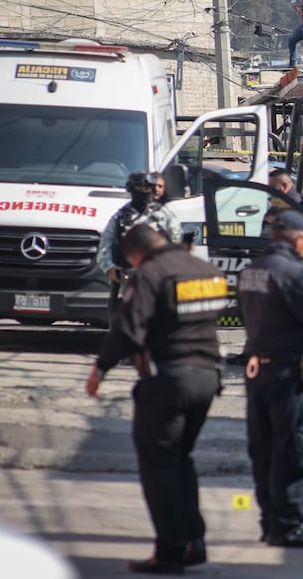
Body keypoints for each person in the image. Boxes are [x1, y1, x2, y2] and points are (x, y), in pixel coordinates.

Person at [86, 224, 227, 574]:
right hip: (208, 378)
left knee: (159, 466)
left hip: (167, 379)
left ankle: (170, 551)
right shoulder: (207, 271)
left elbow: (128, 327)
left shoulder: (150, 273)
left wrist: (101, 367)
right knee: (180, 459)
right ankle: (193, 542)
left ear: (135, 254)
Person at [237, 210, 303, 548]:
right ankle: (287, 526)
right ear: (298, 239)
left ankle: (270, 521)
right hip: (288, 373)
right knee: (296, 446)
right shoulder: (295, 274)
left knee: (264, 448)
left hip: (257, 371)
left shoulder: (250, 271)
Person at [97, 172, 184, 315]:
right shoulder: (120, 217)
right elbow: (105, 244)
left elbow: (177, 240)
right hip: (128, 276)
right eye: (139, 188)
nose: (143, 192)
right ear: (131, 190)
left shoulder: (163, 214)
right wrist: (109, 267)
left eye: (147, 188)